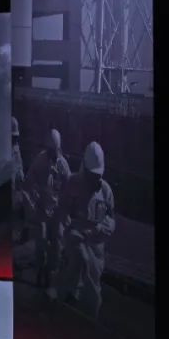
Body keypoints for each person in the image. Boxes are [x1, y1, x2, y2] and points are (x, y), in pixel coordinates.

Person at [51, 141, 116, 318]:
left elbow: (111, 219)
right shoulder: (72, 183)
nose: (94, 178)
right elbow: (62, 208)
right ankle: (61, 303)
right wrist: (66, 225)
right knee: (74, 264)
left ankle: (89, 317)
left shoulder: (106, 191)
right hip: (76, 236)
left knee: (93, 284)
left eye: (97, 175)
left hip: (96, 245)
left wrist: (99, 229)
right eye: (91, 174)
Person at [22, 127, 71, 287]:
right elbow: (28, 181)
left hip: (57, 211)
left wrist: (66, 210)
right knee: (41, 241)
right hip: (42, 208)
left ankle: (51, 272)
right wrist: (33, 196)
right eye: (51, 150)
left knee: (57, 242)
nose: (53, 153)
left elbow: (69, 187)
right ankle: (40, 271)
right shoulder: (40, 160)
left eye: (55, 150)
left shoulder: (63, 165)